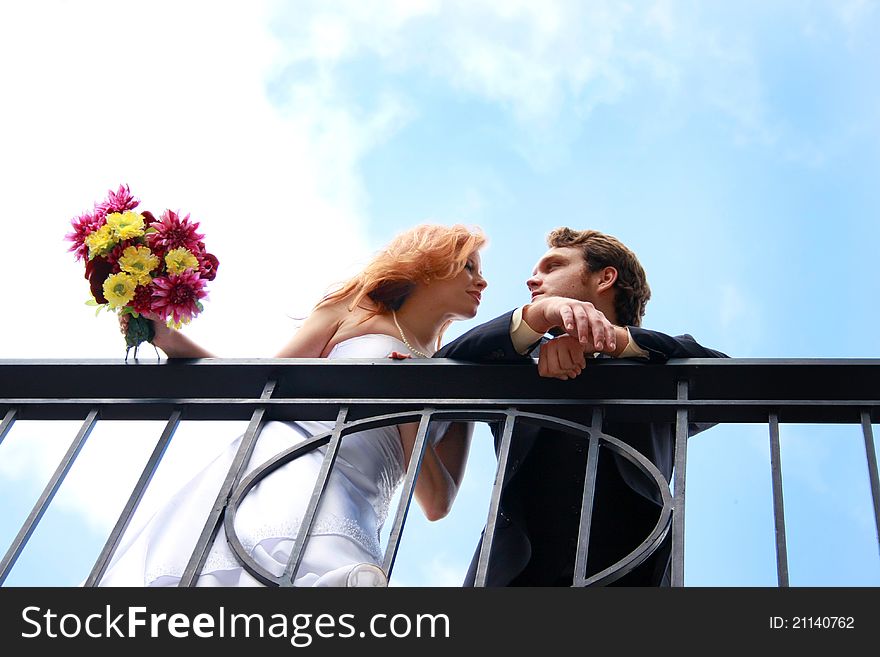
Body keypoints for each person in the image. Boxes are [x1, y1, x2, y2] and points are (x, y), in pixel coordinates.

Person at [99, 223, 488, 587]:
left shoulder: (458, 377)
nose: (481, 280)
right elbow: (262, 384)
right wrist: (168, 339)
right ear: (429, 265)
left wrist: (409, 404)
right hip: (292, 459)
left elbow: (437, 503)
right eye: (468, 266)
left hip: (362, 501)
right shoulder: (351, 313)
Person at [435, 227, 727, 586]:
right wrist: (541, 315)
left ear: (605, 278)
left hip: (631, 579)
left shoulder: (662, 362)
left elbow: (729, 382)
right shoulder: (516, 361)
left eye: (552, 266)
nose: (532, 279)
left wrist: (610, 341)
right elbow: (437, 374)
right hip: (510, 580)